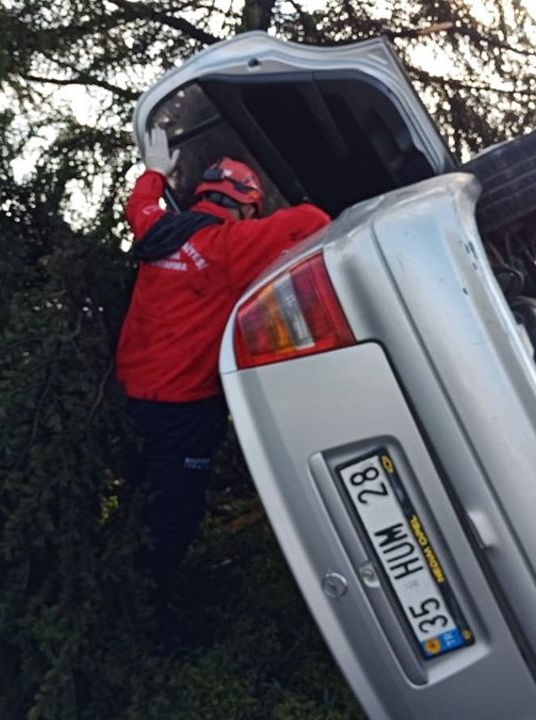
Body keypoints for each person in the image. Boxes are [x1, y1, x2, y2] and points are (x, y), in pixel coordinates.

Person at [116, 128, 330, 589]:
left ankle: (116, 578)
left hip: (130, 397)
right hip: (182, 412)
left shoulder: (159, 232)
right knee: (172, 515)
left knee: (135, 492)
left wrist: (154, 173)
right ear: (246, 207)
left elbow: (141, 205)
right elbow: (312, 219)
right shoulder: (230, 246)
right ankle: (147, 600)